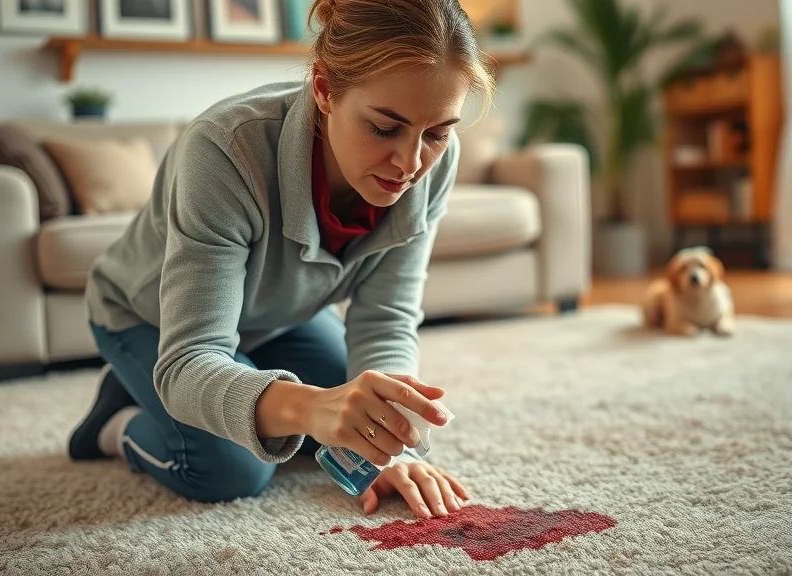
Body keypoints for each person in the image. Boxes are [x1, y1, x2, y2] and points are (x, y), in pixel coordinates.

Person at [67, 0, 496, 520]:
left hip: (278, 317)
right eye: (385, 129)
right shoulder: (225, 150)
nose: (410, 164)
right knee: (232, 471)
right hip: (151, 319)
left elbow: (385, 317)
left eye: (436, 132)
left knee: (358, 409)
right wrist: (312, 407)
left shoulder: (435, 160)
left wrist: (388, 445)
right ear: (323, 89)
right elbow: (189, 362)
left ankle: (211, 387)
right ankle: (118, 423)